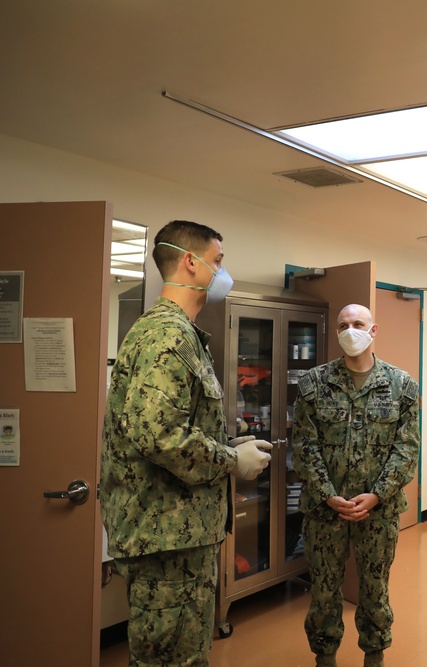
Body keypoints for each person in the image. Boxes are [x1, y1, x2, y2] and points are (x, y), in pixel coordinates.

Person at [101, 220, 273, 667]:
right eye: (218, 262)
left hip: (179, 537)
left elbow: (168, 425)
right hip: (167, 540)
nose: (223, 272)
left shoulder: (182, 334)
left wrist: (227, 443)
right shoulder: (167, 335)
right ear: (190, 262)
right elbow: (159, 435)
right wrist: (232, 459)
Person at [292, 304, 419, 667]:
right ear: (336, 332)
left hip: (378, 512)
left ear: (373, 330)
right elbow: (304, 446)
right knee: (323, 591)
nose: (351, 330)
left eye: (358, 324)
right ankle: (325, 657)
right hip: (323, 510)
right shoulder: (314, 383)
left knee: (375, 589)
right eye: (343, 325)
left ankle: (374, 656)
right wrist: (329, 496)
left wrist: (377, 495)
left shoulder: (401, 385)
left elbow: (406, 448)